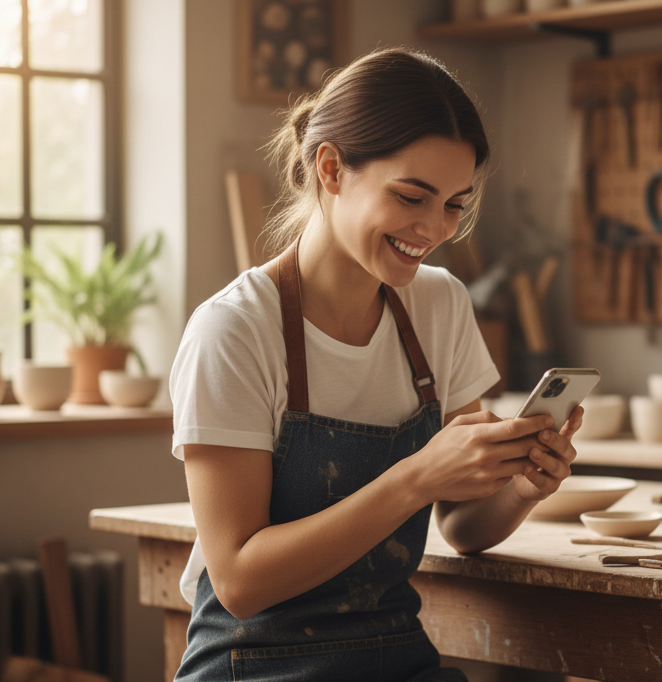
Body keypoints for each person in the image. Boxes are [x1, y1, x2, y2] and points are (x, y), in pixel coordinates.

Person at [169, 47, 583, 681]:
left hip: (395, 656)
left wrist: (521, 488)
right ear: (331, 168)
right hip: (254, 666)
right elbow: (239, 581)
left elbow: (464, 525)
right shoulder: (235, 329)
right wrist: (416, 478)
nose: (434, 228)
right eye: (412, 196)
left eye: (454, 204)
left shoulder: (439, 304)